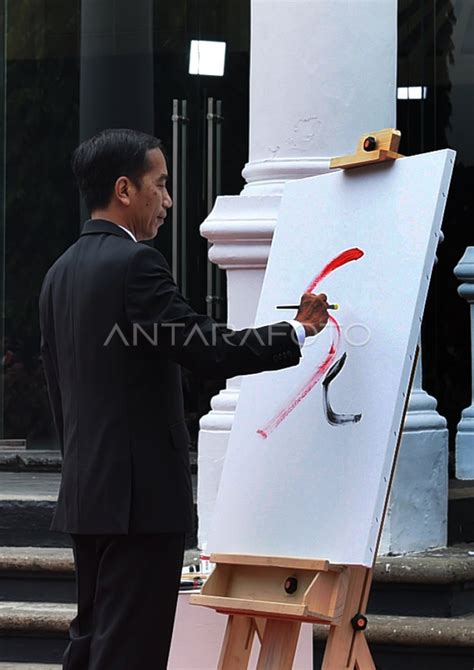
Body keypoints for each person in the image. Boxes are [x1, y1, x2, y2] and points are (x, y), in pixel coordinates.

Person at [39, 128, 330, 670]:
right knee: (129, 649)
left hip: (87, 492)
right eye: (162, 184)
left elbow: (58, 387)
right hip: (140, 501)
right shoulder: (135, 265)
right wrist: (296, 331)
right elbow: (206, 349)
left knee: (91, 641)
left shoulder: (59, 273)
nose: (168, 200)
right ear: (125, 190)